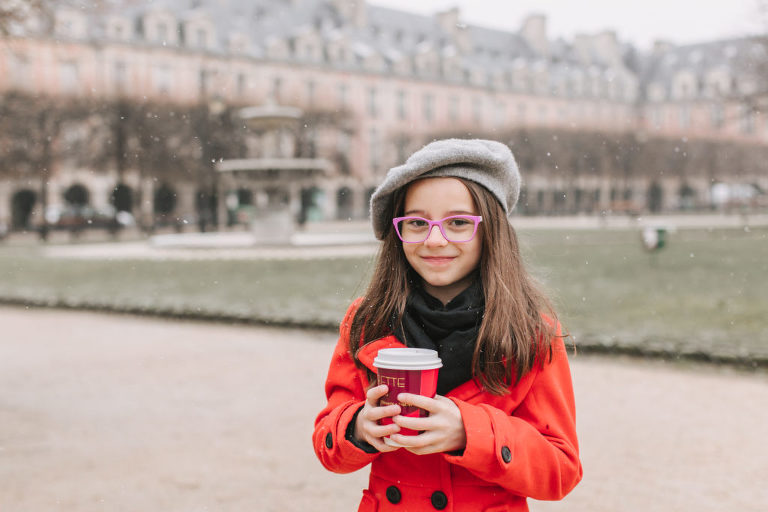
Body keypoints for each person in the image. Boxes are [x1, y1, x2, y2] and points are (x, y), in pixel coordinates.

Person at [313, 139, 582, 511]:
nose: (435, 240)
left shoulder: (531, 331)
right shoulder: (366, 320)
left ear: (492, 230)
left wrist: (470, 433)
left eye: (458, 223)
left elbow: (560, 471)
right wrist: (357, 427)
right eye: (417, 223)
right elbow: (328, 445)